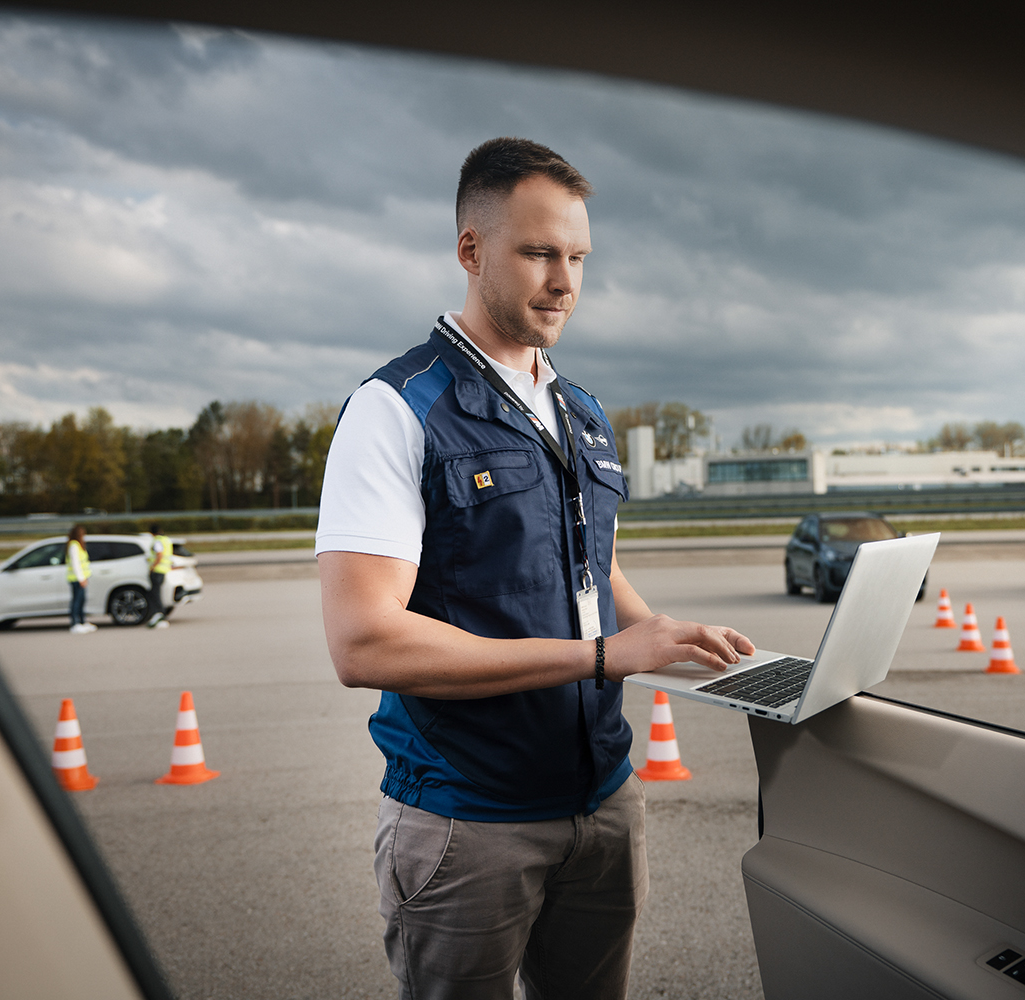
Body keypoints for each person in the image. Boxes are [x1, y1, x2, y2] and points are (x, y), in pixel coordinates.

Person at [316, 137, 755, 1000]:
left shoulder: (581, 409)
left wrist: (673, 637)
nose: (565, 281)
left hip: (604, 800)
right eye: (540, 253)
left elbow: (598, 572)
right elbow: (363, 644)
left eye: (579, 257)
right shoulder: (396, 409)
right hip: (465, 821)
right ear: (471, 251)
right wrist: (601, 658)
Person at [65, 525, 95, 634]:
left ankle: (82, 622)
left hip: (81, 578)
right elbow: (75, 563)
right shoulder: (74, 545)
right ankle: (75, 624)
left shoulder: (77, 545)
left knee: (81, 600)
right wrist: (81, 578)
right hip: (77, 579)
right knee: (76, 601)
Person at [144, 522, 172, 629]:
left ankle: (159, 613)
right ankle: (160, 614)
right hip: (164, 570)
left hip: (157, 570)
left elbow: (159, 555)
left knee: (155, 594)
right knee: (156, 593)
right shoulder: (166, 540)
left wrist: (153, 566)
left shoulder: (157, 541)